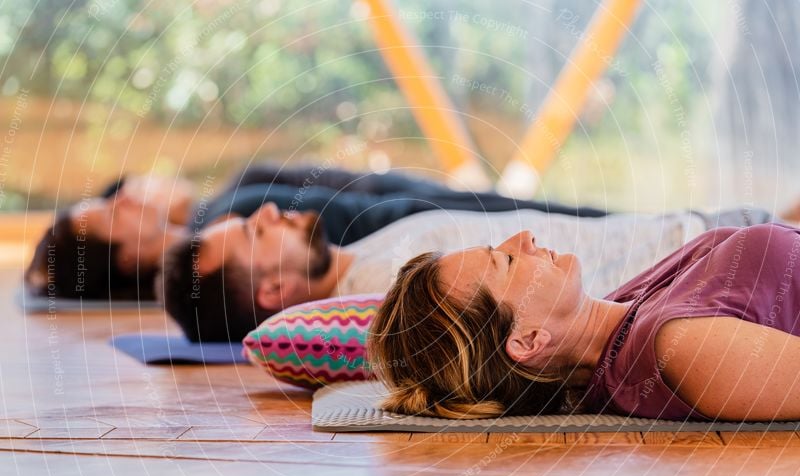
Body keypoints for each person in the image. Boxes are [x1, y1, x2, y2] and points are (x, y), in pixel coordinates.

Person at [162, 184, 785, 345]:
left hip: (706, 233)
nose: (268, 211)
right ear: (273, 290)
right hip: (723, 267)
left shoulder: (371, 258)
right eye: (254, 232)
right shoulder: (404, 290)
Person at [367, 223, 800, 423]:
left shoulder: (621, 312)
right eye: (507, 260)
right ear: (528, 340)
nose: (525, 237)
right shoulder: (677, 349)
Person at [24, 163, 609, 301]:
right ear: (125, 260)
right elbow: (361, 203)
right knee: (577, 222)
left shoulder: (215, 223)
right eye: (113, 215)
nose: (124, 199)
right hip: (419, 215)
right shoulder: (225, 218)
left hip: (416, 210)